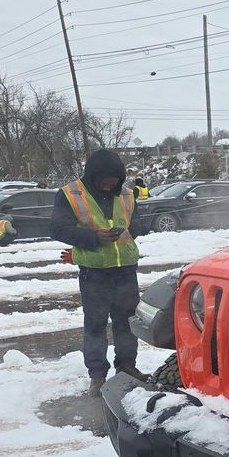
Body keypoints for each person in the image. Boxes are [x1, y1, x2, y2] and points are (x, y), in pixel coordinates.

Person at [51, 149, 148, 396]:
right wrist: (94, 238)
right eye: (106, 181)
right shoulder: (70, 194)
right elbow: (58, 229)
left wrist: (126, 232)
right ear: (93, 176)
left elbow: (136, 225)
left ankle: (127, 368)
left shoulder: (127, 194)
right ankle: (97, 377)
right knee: (95, 326)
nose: (111, 185)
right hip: (94, 273)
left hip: (126, 271)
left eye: (115, 180)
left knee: (126, 324)